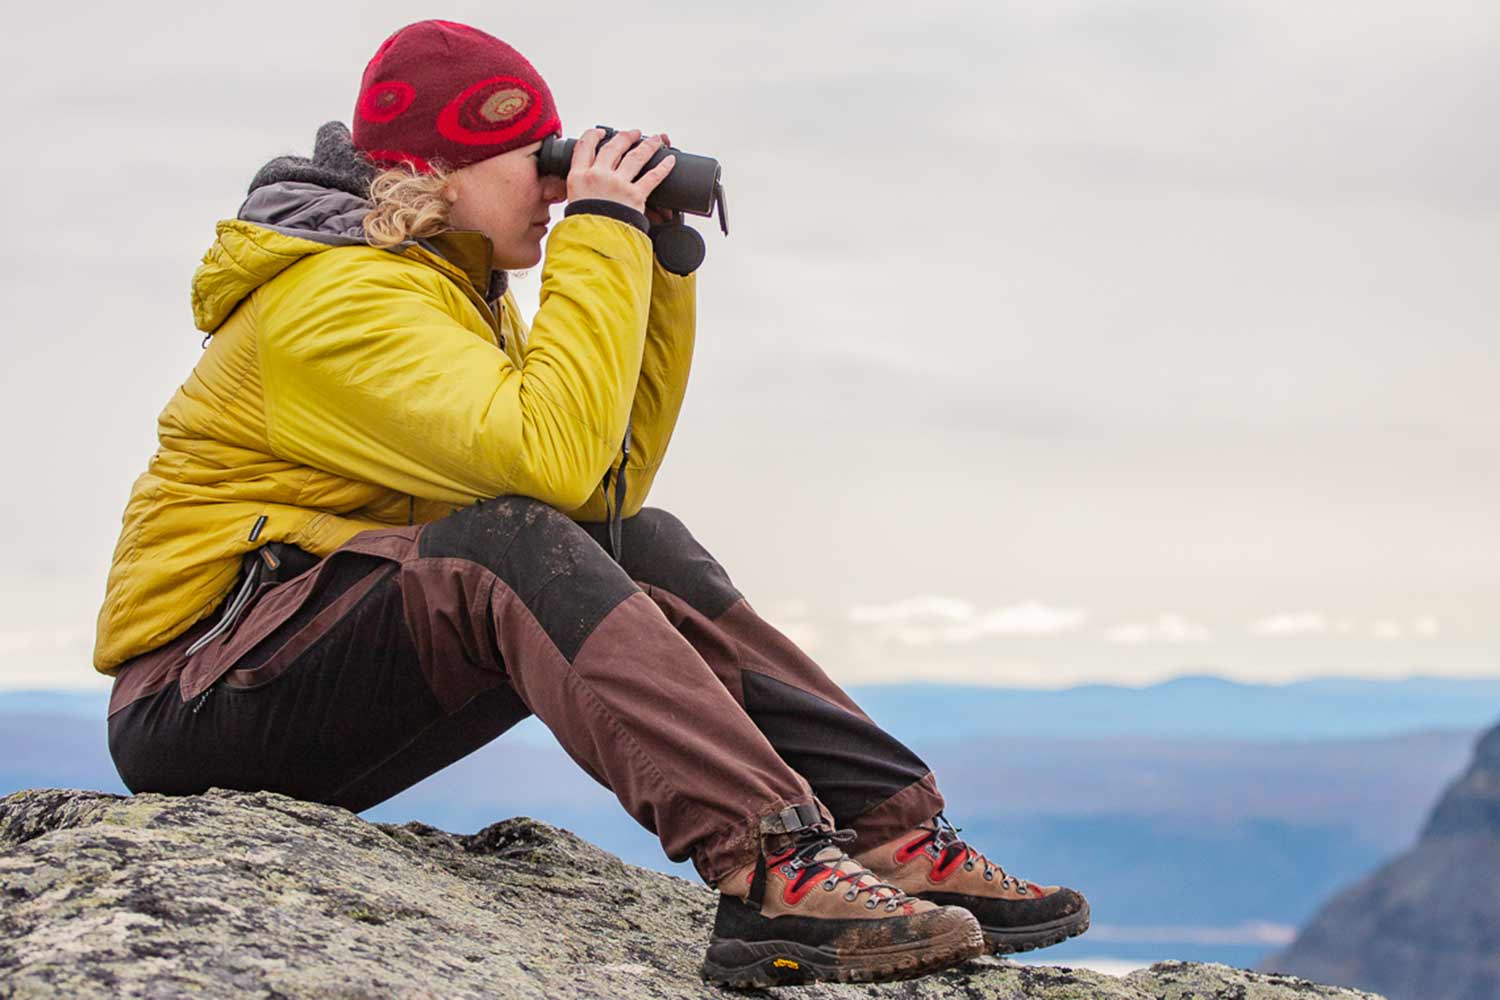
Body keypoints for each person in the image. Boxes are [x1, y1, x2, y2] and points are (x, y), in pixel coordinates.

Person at [96, 19, 1088, 988]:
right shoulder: (335, 300)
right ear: (441, 170)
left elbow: (606, 492)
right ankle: (772, 867)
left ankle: (893, 835)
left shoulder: (443, 291)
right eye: (540, 158)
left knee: (635, 540)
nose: (557, 182)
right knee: (505, 543)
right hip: (198, 695)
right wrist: (601, 232)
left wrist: (651, 268)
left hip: (300, 653)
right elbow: (553, 468)